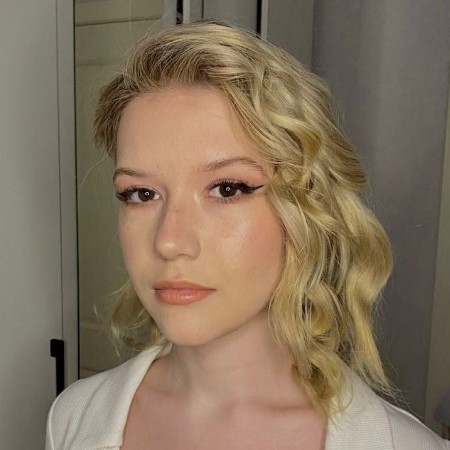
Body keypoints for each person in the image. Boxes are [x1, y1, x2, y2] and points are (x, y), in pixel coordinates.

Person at [45, 20, 450, 450]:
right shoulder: (71, 419)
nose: (169, 242)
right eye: (141, 194)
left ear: (306, 207)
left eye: (227, 189)